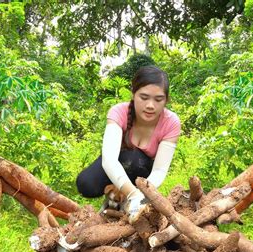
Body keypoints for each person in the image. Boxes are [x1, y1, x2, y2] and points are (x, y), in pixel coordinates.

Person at [76, 65, 181, 223]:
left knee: (135, 160)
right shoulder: (119, 112)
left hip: (143, 173)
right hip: (118, 162)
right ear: (133, 94)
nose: (150, 105)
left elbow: (160, 169)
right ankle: (117, 193)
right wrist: (132, 194)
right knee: (86, 184)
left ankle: (120, 200)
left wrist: (143, 194)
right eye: (144, 97)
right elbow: (109, 159)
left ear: (166, 100)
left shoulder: (171, 122)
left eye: (158, 99)